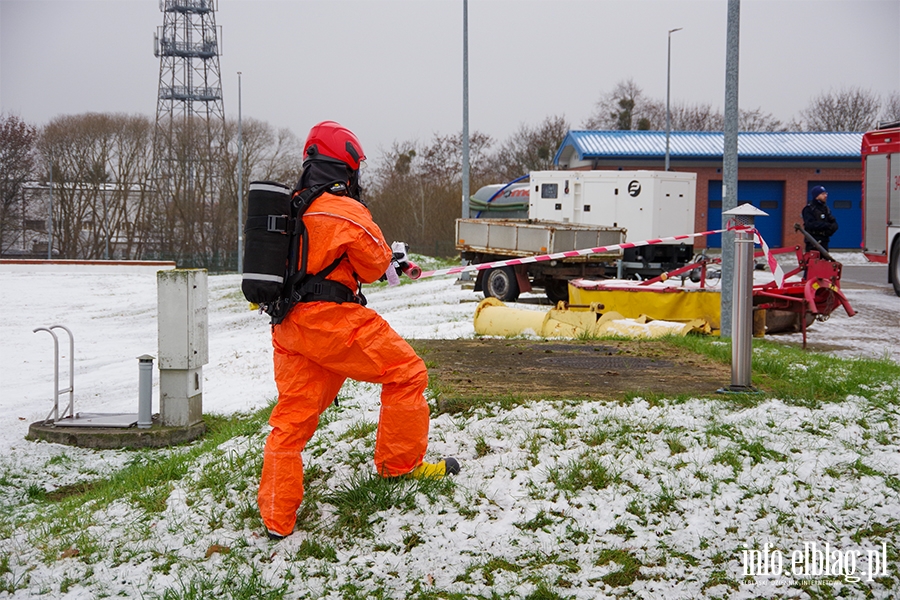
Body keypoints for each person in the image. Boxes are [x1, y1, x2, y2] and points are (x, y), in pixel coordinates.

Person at [257, 121, 459, 540]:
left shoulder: (292, 206)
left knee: (291, 420)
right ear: (348, 167)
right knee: (407, 374)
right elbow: (372, 265)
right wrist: (391, 259)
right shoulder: (345, 207)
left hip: (289, 327)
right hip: (334, 323)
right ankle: (400, 467)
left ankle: (278, 517)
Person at [801, 185, 838, 252]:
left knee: (825, 261)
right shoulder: (809, 209)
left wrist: (832, 227)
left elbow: (832, 221)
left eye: (826, 193)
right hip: (813, 241)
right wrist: (826, 225)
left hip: (824, 241)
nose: (825, 196)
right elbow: (810, 224)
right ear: (816, 196)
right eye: (823, 194)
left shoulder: (826, 209)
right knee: (814, 261)